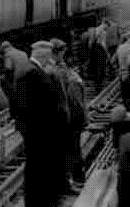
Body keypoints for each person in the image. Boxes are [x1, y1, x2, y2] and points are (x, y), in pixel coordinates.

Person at [13, 41, 68, 207]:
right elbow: (30, 105)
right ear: (44, 56)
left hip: (35, 129)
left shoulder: (27, 70)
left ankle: (39, 199)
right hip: (39, 131)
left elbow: (16, 105)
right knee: (38, 167)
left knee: (36, 166)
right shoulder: (33, 73)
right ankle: (39, 201)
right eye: (49, 57)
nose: (50, 61)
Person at [50, 39, 87, 191]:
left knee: (70, 150)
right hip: (69, 118)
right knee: (73, 149)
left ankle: (72, 180)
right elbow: (73, 101)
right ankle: (75, 180)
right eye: (62, 52)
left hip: (68, 118)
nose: (63, 56)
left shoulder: (59, 70)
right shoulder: (62, 72)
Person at [0, 41, 30, 110]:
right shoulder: (23, 52)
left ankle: (15, 106)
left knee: (3, 82)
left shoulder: (7, 55)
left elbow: (8, 70)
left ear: (3, 50)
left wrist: (1, 76)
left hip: (20, 82)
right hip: (30, 77)